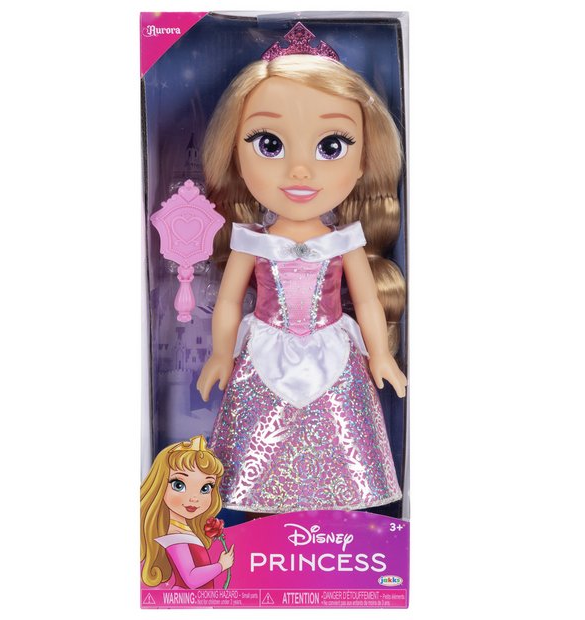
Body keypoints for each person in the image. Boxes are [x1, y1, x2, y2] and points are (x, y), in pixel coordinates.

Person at [196, 23, 407, 513]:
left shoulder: (344, 240)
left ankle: (339, 525)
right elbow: (228, 300)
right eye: (268, 144)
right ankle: (261, 520)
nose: (299, 170)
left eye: (331, 146)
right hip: (265, 351)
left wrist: (380, 354)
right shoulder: (252, 240)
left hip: (334, 350)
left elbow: (367, 299)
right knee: (259, 444)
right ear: (236, 155)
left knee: (340, 440)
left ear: (362, 161)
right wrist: (222, 354)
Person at [140, 435, 234, 588]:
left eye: (205, 488)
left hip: (199, 600)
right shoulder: (174, 536)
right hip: (187, 599)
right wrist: (221, 565)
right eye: (179, 485)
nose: (194, 498)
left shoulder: (184, 530)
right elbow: (191, 578)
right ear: (160, 484)